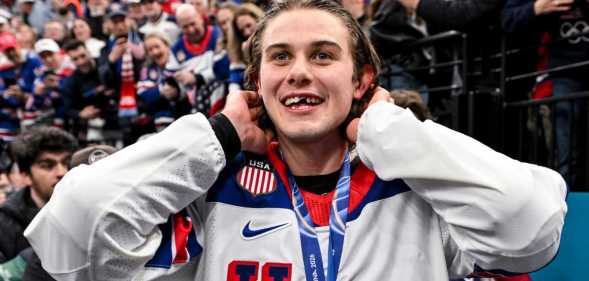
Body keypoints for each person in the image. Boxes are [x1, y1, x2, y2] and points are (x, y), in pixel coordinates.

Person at [25, 1, 567, 280]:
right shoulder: (211, 191)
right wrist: (216, 134)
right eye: (280, 57)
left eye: (323, 55)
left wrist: (391, 131)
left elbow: (531, 229)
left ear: (361, 82)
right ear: (256, 83)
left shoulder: (421, 184)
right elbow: (70, 240)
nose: (299, 72)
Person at [0, 126, 77, 263]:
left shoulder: (87, 210)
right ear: (26, 176)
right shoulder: (5, 223)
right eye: (47, 165)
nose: (62, 172)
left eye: (66, 163)